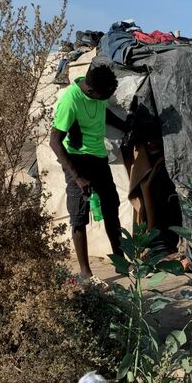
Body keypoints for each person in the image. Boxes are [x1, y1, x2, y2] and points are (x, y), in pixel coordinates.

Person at [49, 63, 131, 279]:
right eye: (103, 96)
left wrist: (127, 125)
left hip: (98, 158)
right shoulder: (70, 101)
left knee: (111, 207)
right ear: (91, 91)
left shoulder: (98, 95)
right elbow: (55, 141)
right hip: (76, 161)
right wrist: (77, 177)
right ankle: (86, 273)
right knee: (79, 216)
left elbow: (105, 114)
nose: (105, 100)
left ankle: (120, 262)